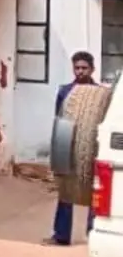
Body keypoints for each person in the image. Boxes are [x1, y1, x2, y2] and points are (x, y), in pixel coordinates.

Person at [45, 51, 99, 246]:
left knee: (94, 191)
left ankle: (94, 234)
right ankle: (61, 235)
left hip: (91, 147)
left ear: (92, 69)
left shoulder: (100, 94)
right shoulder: (65, 92)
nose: (80, 71)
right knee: (66, 189)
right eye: (77, 68)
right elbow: (59, 120)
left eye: (84, 68)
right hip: (68, 146)